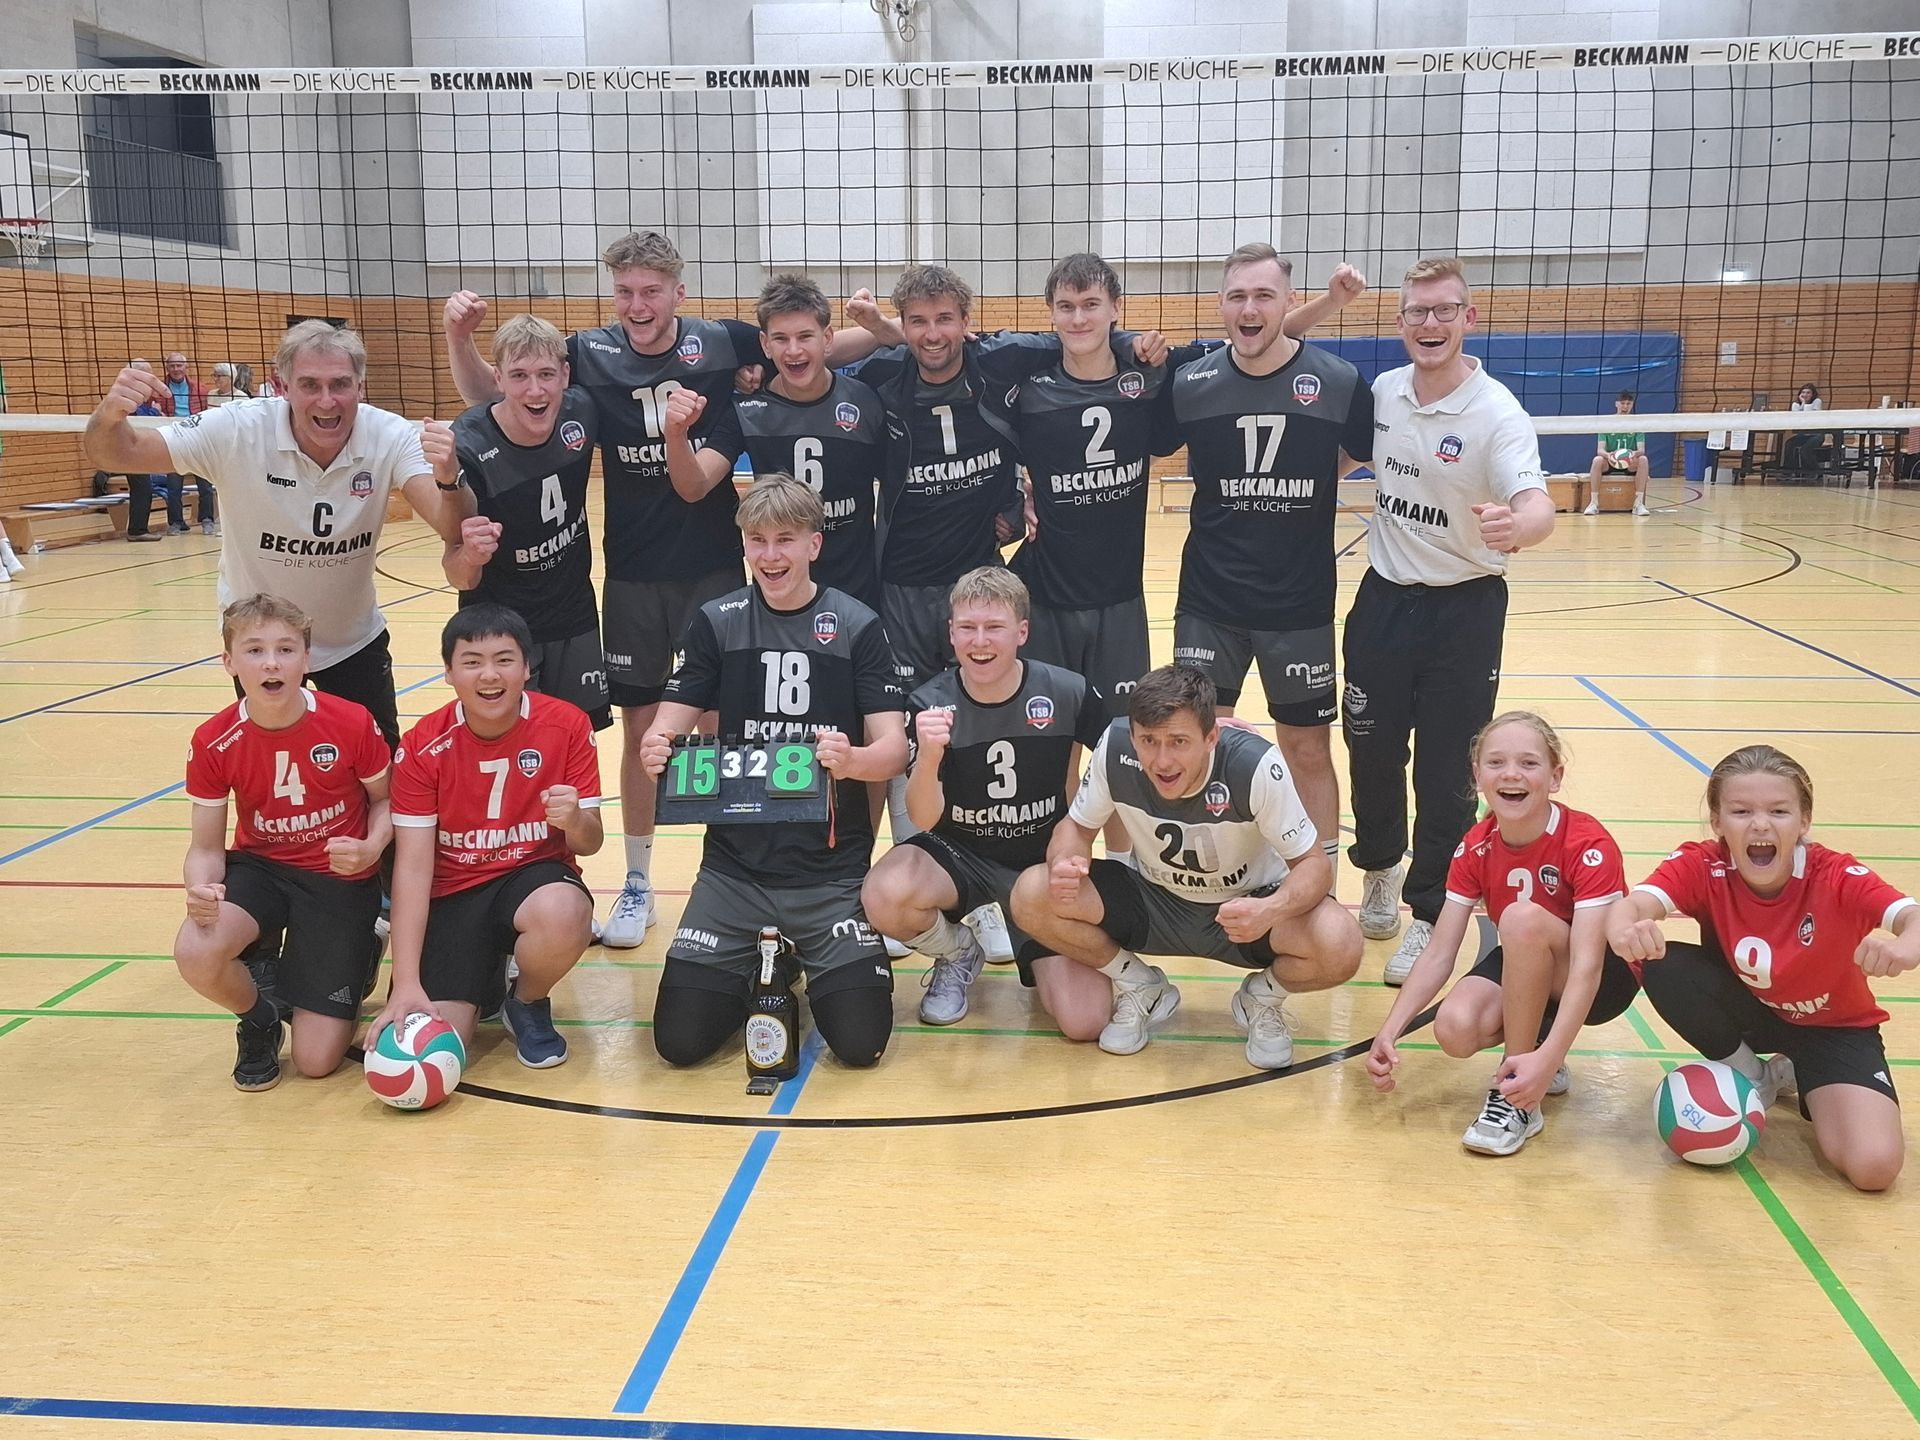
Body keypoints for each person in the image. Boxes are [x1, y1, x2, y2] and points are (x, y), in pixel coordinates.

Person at [443, 232, 885, 950]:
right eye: (625, 292)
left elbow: (811, 348)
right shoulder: (587, 352)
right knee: (644, 727)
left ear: (679, 292)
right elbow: (497, 398)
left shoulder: (722, 342)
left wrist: (885, 331)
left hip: (715, 567)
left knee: (722, 725)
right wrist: (461, 338)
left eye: (651, 291)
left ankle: (738, 873)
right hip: (633, 571)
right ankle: (639, 881)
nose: (638, 305)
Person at [84, 320, 475, 748]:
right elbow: (115, 451)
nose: (326, 400)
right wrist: (111, 414)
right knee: (273, 771)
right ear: (282, 386)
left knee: (378, 763)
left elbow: (451, 526)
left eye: (340, 384)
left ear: (360, 387)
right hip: (263, 645)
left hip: (352, 640)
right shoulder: (236, 429)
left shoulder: (390, 434)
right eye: (310, 385)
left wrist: (449, 477)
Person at [640, 477, 907, 1070]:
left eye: (785, 539)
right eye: (756, 540)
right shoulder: (717, 621)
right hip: (733, 874)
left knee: (861, 1044)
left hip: (831, 875)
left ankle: (801, 956)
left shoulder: (857, 624)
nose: (769, 555)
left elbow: (894, 749)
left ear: (814, 544)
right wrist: (656, 748)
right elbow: (664, 728)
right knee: (679, 1043)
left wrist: (853, 760)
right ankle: (766, 961)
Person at [1343, 256, 1555, 985]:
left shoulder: (1497, 413)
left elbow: (1537, 502)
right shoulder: (1383, 392)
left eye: (1444, 311)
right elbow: (1342, 458)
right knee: (1371, 752)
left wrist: (1518, 527)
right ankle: (1377, 870)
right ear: (1400, 320)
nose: (1429, 324)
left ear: (1469, 318)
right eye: (1417, 312)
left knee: (1445, 771)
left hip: (1464, 607)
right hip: (1383, 600)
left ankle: (1430, 911)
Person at [1010, 664, 1362, 1068]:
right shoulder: (1115, 748)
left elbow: (1314, 865)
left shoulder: (1254, 766)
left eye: (1178, 742)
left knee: (1341, 941)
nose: (1162, 760)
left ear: (1211, 737)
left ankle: (1262, 998)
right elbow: (1076, 827)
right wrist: (1066, 861)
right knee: (1032, 893)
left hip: (1243, 910)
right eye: (1149, 741)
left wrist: (1270, 909)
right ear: (1134, 735)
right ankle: (1139, 985)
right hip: (1153, 902)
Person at [1607, 745, 1915, 1192]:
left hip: (1833, 1029)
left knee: (1874, 1168)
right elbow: (1633, 905)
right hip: (1750, 1013)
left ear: (1804, 821)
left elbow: (1912, 918)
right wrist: (1625, 930)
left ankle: (1801, 1070)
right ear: (1717, 821)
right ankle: (1754, 1075)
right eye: (1741, 811)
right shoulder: (1703, 864)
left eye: (1778, 811)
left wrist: (1904, 948)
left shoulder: (1835, 874)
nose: (1760, 824)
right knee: (1665, 965)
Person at [1163, 243, 1375, 870]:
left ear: (1289, 302)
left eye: (1264, 296)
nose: (1250, 309)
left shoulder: (1338, 382)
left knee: (1307, 748)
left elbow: (1365, 451)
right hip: (1210, 601)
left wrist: (1322, 476)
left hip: (1298, 603)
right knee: (1199, 743)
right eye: (1237, 296)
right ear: (1220, 305)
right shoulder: (1191, 382)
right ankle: (1213, 878)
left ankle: (1318, 881)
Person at [1366, 712, 1640, 1154]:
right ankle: (1535, 1049)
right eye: (1496, 763)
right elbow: (1440, 953)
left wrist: (1548, 1060)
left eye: (1529, 763)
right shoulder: (1475, 845)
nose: (1511, 774)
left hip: (1602, 975)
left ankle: (1516, 1098)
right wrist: (1389, 1031)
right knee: (1455, 1028)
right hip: (1528, 958)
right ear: (1477, 776)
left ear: (1555, 777)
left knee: (1519, 919)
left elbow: (1588, 966)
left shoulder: (1587, 843)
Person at [861, 567, 1109, 1026]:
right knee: (885, 893)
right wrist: (929, 756)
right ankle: (957, 952)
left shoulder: (1068, 691)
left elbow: (1123, 759)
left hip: (1038, 864)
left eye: (994, 627)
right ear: (951, 633)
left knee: (1085, 1020)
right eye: (968, 628)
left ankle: (1042, 944)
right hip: (960, 856)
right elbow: (923, 818)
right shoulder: (928, 703)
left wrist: (1087, 839)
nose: (980, 642)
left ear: (1022, 632)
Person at [369, 604, 604, 1066]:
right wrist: (407, 982)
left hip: (530, 879)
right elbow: (412, 869)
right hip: (453, 893)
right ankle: (485, 977)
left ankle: (528, 1001)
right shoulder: (423, 744)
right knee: (436, 1046)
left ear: (527, 666)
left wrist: (575, 818)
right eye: (472, 662)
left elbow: (589, 843)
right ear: (448, 673)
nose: (490, 675)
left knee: (564, 912)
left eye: (504, 659)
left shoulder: (567, 724)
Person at [176, 594, 391, 1091]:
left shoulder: (351, 721)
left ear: (306, 659)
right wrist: (201, 890)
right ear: (229, 662)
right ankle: (260, 1018)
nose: (271, 663)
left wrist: (371, 847)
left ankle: (360, 947)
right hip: (262, 870)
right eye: (254, 650)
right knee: (196, 949)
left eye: (286, 649)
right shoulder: (214, 739)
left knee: (317, 1061)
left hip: (337, 880)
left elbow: (387, 801)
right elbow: (206, 847)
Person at [663, 272, 888, 607]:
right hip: (777, 598)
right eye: (781, 339)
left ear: (827, 338)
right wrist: (676, 434)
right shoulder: (747, 411)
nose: (793, 350)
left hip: (857, 596)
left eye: (805, 336)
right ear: (765, 345)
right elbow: (693, 486)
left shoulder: (866, 401)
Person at [443, 314, 610, 730]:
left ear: (565, 375)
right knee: (512, 745)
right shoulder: (470, 444)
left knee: (578, 739)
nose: (535, 390)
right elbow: (457, 570)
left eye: (546, 374)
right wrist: (473, 554)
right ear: (498, 379)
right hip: (502, 629)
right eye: (519, 376)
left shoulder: (582, 410)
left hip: (573, 615)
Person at [159, 351, 220, 535]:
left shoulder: (200, 389)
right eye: (172, 366)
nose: (176, 369)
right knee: (174, 486)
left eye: (179, 365)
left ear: (186, 367)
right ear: (167, 368)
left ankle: (207, 519)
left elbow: (207, 413)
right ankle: (176, 523)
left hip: (197, 438)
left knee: (205, 484)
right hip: (173, 438)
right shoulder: (160, 390)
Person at [118, 358, 177, 543]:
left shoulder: (133, 393)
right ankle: (137, 530)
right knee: (142, 488)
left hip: (132, 448)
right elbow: (138, 421)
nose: (152, 377)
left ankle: (137, 529)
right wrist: (155, 412)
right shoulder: (130, 394)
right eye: (149, 373)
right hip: (129, 449)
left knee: (142, 488)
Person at [1583, 389, 1650, 517]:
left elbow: (1641, 450)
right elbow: (1600, 450)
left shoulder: (1637, 423)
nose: (1625, 407)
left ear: (1632, 405)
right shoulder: (1607, 423)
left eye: (1628, 404)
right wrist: (1609, 455)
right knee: (1597, 460)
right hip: (1610, 461)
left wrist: (1631, 453)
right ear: (1616, 404)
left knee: (1643, 460)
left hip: (1629, 462)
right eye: (1622, 403)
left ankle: (1638, 504)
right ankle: (1594, 503)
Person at [1783, 382, 1827, 472]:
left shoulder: (1817, 401)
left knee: (1805, 450)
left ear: (1813, 394)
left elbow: (1809, 416)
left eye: (1808, 393)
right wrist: (1803, 403)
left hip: (1816, 435)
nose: (1805, 395)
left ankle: (1816, 472)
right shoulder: (1796, 404)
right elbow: (1797, 418)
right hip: (1803, 435)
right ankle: (1789, 471)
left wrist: (1805, 403)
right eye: (1803, 392)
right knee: (1789, 444)